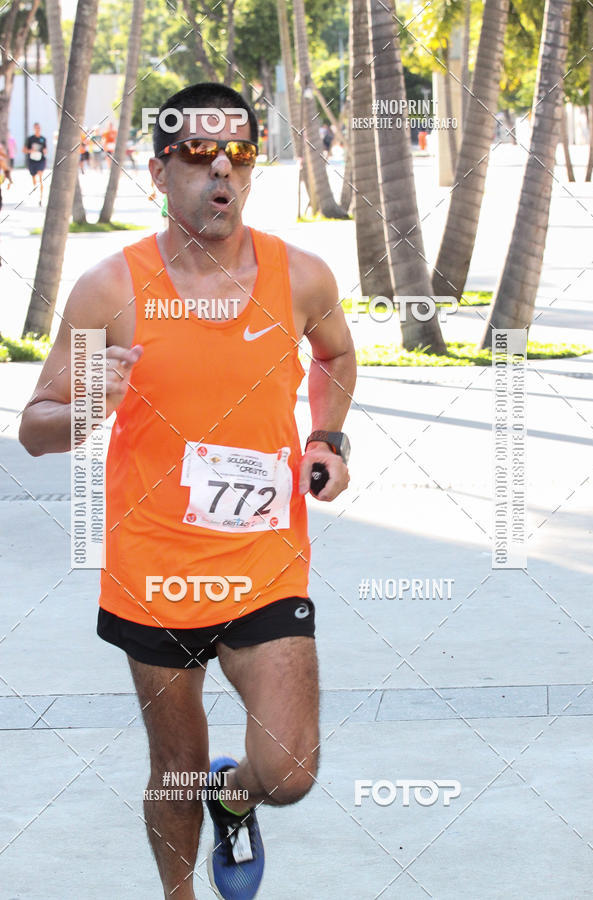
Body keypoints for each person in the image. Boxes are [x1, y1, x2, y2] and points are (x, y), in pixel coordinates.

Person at [19, 81, 356, 900]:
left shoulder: (299, 276)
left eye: (238, 154)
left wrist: (327, 438)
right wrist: (92, 404)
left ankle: (233, 797)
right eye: (198, 155)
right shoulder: (112, 290)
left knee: (290, 770)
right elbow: (36, 426)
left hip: (264, 560)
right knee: (172, 766)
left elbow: (337, 357)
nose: (220, 172)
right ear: (158, 170)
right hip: (154, 569)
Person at [23, 122, 47, 205]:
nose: (38, 129)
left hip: (41, 160)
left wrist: (44, 151)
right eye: (36, 128)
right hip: (32, 161)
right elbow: (24, 150)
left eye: (39, 128)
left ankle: (41, 197)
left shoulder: (43, 139)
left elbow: (45, 150)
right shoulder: (30, 139)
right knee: (34, 179)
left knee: (40, 177)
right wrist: (31, 150)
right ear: (34, 128)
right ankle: (35, 192)